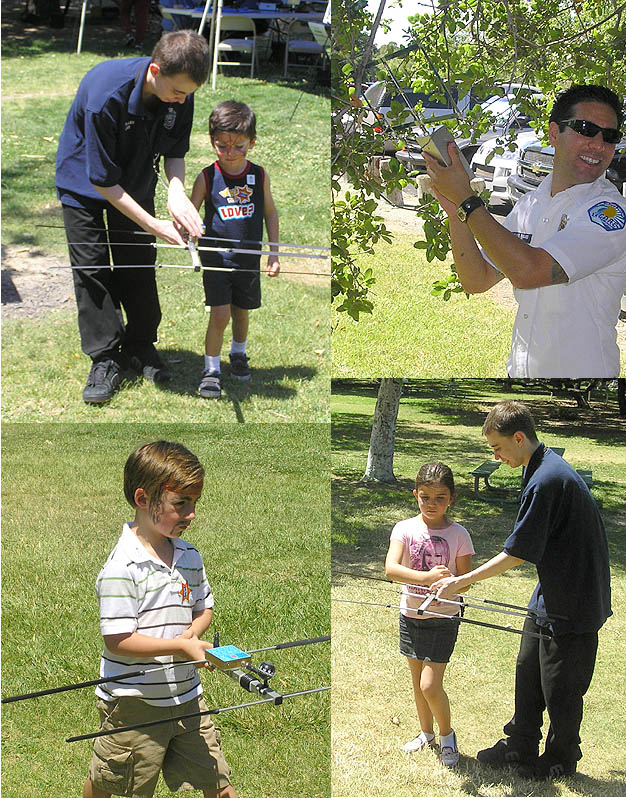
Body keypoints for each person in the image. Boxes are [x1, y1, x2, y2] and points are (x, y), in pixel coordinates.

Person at [432, 401, 612, 780]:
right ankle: (521, 741)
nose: (496, 456)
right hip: (551, 588)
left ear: (519, 438)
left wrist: (462, 581)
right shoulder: (538, 467)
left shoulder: (546, 479)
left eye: (497, 448)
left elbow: (517, 552)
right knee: (528, 667)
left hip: (574, 598)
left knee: (560, 684)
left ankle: (561, 756)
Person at [423, 84, 626, 378]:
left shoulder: (611, 215)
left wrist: (468, 200)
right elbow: (478, 279)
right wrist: (456, 213)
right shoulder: (532, 203)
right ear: (554, 133)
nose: (598, 145)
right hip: (522, 373)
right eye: (585, 129)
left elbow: (528, 273)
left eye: (610, 136)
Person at [55, 31, 209, 404]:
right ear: (155, 70)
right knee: (91, 268)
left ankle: (140, 346)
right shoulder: (106, 94)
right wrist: (153, 225)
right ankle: (105, 357)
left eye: (189, 93)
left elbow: (174, 152)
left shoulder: (178, 92)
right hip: (85, 185)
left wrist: (176, 191)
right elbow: (104, 182)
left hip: (135, 179)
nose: (183, 99)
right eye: (178, 91)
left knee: (138, 262)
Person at [84, 440, 236, 798]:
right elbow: (118, 639)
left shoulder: (189, 555)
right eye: (180, 503)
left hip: (187, 697)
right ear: (142, 500)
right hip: (134, 704)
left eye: (194, 502)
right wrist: (181, 647)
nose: (191, 514)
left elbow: (203, 608)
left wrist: (194, 635)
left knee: (219, 783)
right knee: (115, 784)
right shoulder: (123, 567)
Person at [384, 462, 474, 767]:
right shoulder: (404, 529)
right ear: (415, 495)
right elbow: (391, 569)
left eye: (440, 498)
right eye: (425, 497)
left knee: (429, 685)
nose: (431, 504)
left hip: (444, 620)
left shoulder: (460, 534)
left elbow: (467, 579)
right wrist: (424, 579)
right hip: (410, 615)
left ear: (451, 498)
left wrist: (452, 585)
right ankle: (426, 733)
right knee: (416, 682)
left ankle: (447, 736)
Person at [190, 101, 280, 399]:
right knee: (220, 314)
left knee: (243, 312)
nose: (229, 153)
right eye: (222, 146)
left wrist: (273, 252)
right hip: (215, 259)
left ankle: (238, 353)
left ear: (251, 143)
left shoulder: (260, 175)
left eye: (238, 146)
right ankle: (211, 370)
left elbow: (270, 213)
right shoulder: (206, 177)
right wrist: (187, 229)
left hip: (248, 258)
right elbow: (191, 213)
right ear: (212, 141)